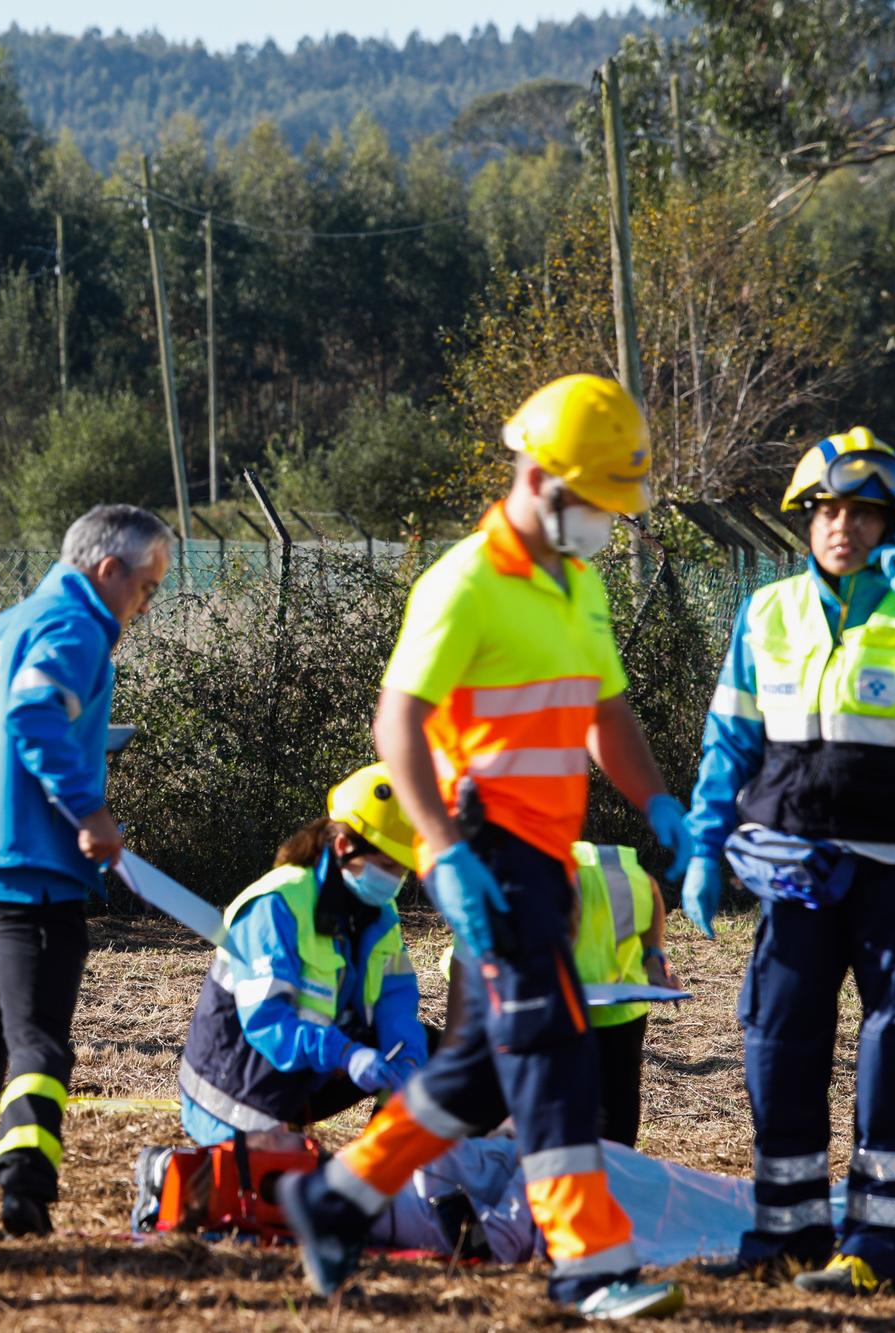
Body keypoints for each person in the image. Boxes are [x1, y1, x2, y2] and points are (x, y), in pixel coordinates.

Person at [278, 374, 694, 1321]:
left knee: (479, 1069)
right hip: (489, 850)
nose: (604, 524)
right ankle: (587, 1260)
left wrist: (658, 800)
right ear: (543, 478)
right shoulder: (462, 582)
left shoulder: (578, 585)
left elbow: (605, 710)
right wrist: (442, 851)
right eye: (596, 503)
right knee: (553, 1051)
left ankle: (334, 1197)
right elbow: (398, 723)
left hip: (551, 858)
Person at [679, 428, 895, 1296]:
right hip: (795, 877)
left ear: (892, 523)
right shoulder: (766, 612)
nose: (839, 525)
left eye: (858, 511)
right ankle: (785, 1239)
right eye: (824, 509)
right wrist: (705, 846)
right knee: (778, 1046)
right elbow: (729, 739)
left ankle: (882, 1255)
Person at [0, 503, 171, 1238]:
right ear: (107, 570)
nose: (145, 606)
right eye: (147, 587)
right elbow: (33, 713)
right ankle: (25, 1193)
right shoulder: (78, 625)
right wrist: (89, 811)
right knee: (37, 1042)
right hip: (27, 872)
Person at [177, 763, 430, 1147]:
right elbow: (268, 1023)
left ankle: (385, 1169)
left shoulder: (378, 915)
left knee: (435, 1055)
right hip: (240, 1091)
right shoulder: (277, 905)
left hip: (311, 1070)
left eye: (402, 871)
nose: (393, 882)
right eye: (386, 866)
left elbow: (396, 996)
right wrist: (347, 1055)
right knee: (285, 1191)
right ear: (344, 846)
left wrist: (406, 1055)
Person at [445, 841, 676, 1150]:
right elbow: (460, 1019)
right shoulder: (491, 901)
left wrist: (653, 956)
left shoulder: (608, 874)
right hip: (526, 1004)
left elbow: (649, 889)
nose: (571, 930)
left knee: (613, 1133)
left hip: (615, 1012)